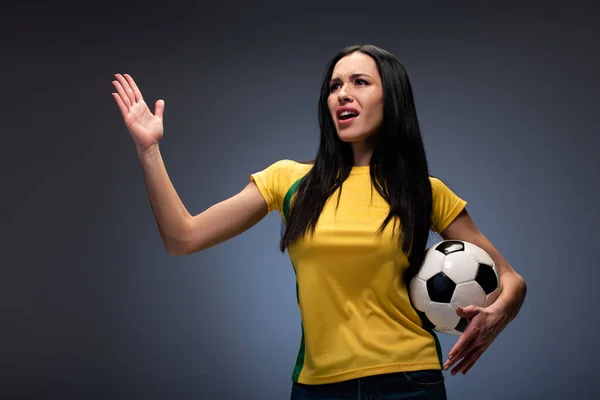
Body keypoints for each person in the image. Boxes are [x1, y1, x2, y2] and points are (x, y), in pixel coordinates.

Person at [111, 44, 527, 399]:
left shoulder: (424, 190)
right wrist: (149, 151)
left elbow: (511, 280)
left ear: (392, 97)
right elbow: (182, 237)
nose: (342, 95)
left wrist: (497, 316)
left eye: (359, 82)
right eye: (334, 86)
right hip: (318, 387)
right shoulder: (289, 180)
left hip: (409, 381)